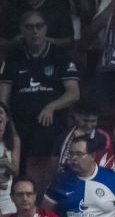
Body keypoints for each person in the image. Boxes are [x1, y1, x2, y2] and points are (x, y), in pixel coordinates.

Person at [0, 11, 80, 163]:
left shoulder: (60, 56)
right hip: (20, 123)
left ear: (46, 29)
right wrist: (8, 123)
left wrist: (51, 106)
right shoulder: (13, 58)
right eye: (29, 27)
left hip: (51, 123)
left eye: (39, 26)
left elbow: (74, 93)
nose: (34, 31)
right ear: (22, 31)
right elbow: (3, 98)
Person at [0, 0, 74, 52]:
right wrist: (12, 42)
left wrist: (46, 41)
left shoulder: (58, 8)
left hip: (52, 57)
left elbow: (69, 41)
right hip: (20, 57)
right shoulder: (13, 8)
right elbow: (2, 41)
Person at [51, 100, 111, 174]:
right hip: (65, 177)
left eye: (93, 121)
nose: (89, 125)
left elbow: (104, 161)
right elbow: (53, 165)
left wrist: (84, 138)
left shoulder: (102, 137)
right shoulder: (63, 136)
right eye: (85, 121)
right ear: (76, 116)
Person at [0, 102, 21, 215]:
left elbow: (16, 172)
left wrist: (5, 163)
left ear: (7, 118)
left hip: (6, 201)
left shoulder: (14, 140)